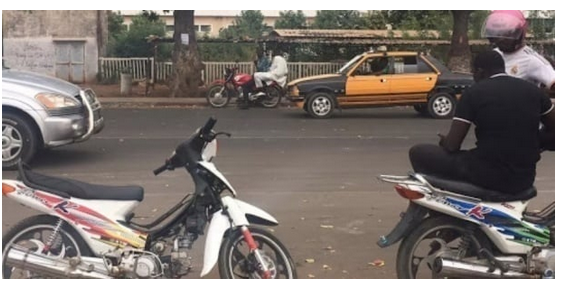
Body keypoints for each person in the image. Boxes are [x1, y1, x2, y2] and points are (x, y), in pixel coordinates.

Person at [409, 50, 554, 194]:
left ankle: (439, 204)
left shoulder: (473, 93)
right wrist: (535, 141)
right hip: (524, 178)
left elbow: (453, 146)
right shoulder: (533, 92)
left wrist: (445, 141)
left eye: (473, 72)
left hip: (485, 174)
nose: (473, 77)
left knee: (418, 152)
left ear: (480, 71)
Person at [482, 10, 555, 98]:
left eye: (506, 36)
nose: (500, 40)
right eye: (497, 36)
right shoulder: (493, 55)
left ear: (519, 34)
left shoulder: (532, 60)